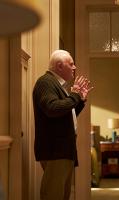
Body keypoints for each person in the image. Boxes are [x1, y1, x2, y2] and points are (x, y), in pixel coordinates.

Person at [32, 49, 93, 200]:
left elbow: (64, 117)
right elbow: (52, 109)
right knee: (53, 195)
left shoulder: (58, 85)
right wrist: (75, 95)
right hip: (55, 152)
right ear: (59, 66)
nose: (74, 67)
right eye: (71, 64)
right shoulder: (45, 82)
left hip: (62, 151)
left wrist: (80, 100)